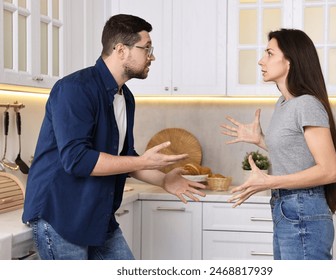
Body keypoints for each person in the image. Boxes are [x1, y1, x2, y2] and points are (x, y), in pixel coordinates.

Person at [22, 14, 206, 260]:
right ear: (121, 50)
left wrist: (164, 180)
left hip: (97, 216)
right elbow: (77, 160)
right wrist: (142, 162)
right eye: (147, 48)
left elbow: (125, 158)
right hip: (61, 215)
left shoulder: (125, 97)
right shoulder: (75, 89)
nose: (152, 56)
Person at [221, 28, 336, 260]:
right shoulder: (285, 103)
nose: (261, 60)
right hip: (286, 207)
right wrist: (260, 140)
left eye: (269, 53)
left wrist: (271, 181)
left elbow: (329, 171)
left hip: (303, 208)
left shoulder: (306, 104)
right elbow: (299, 154)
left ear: (290, 61)